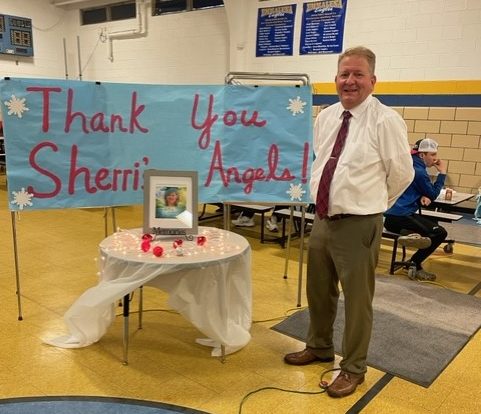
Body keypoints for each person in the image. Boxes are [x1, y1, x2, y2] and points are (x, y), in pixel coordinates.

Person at [283, 46, 414, 398]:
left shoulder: (385, 120)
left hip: (360, 223)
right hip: (324, 218)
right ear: (336, 79)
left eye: (358, 74)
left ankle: (354, 368)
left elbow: (402, 173)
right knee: (319, 291)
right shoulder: (326, 116)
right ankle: (319, 346)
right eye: (344, 74)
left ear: (373, 80)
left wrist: (373, 205)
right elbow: (321, 161)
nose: (350, 81)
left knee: (357, 301)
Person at [383, 138, 448, 281]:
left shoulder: (407, 164)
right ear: (421, 155)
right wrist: (442, 173)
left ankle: (412, 236)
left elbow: (409, 188)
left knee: (432, 223)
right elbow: (433, 194)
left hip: (389, 218)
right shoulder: (419, 171)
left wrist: (420, 196)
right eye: (432, 155)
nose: (435, 158)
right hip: (402, 216)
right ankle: (414, 264)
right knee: (439, 233)